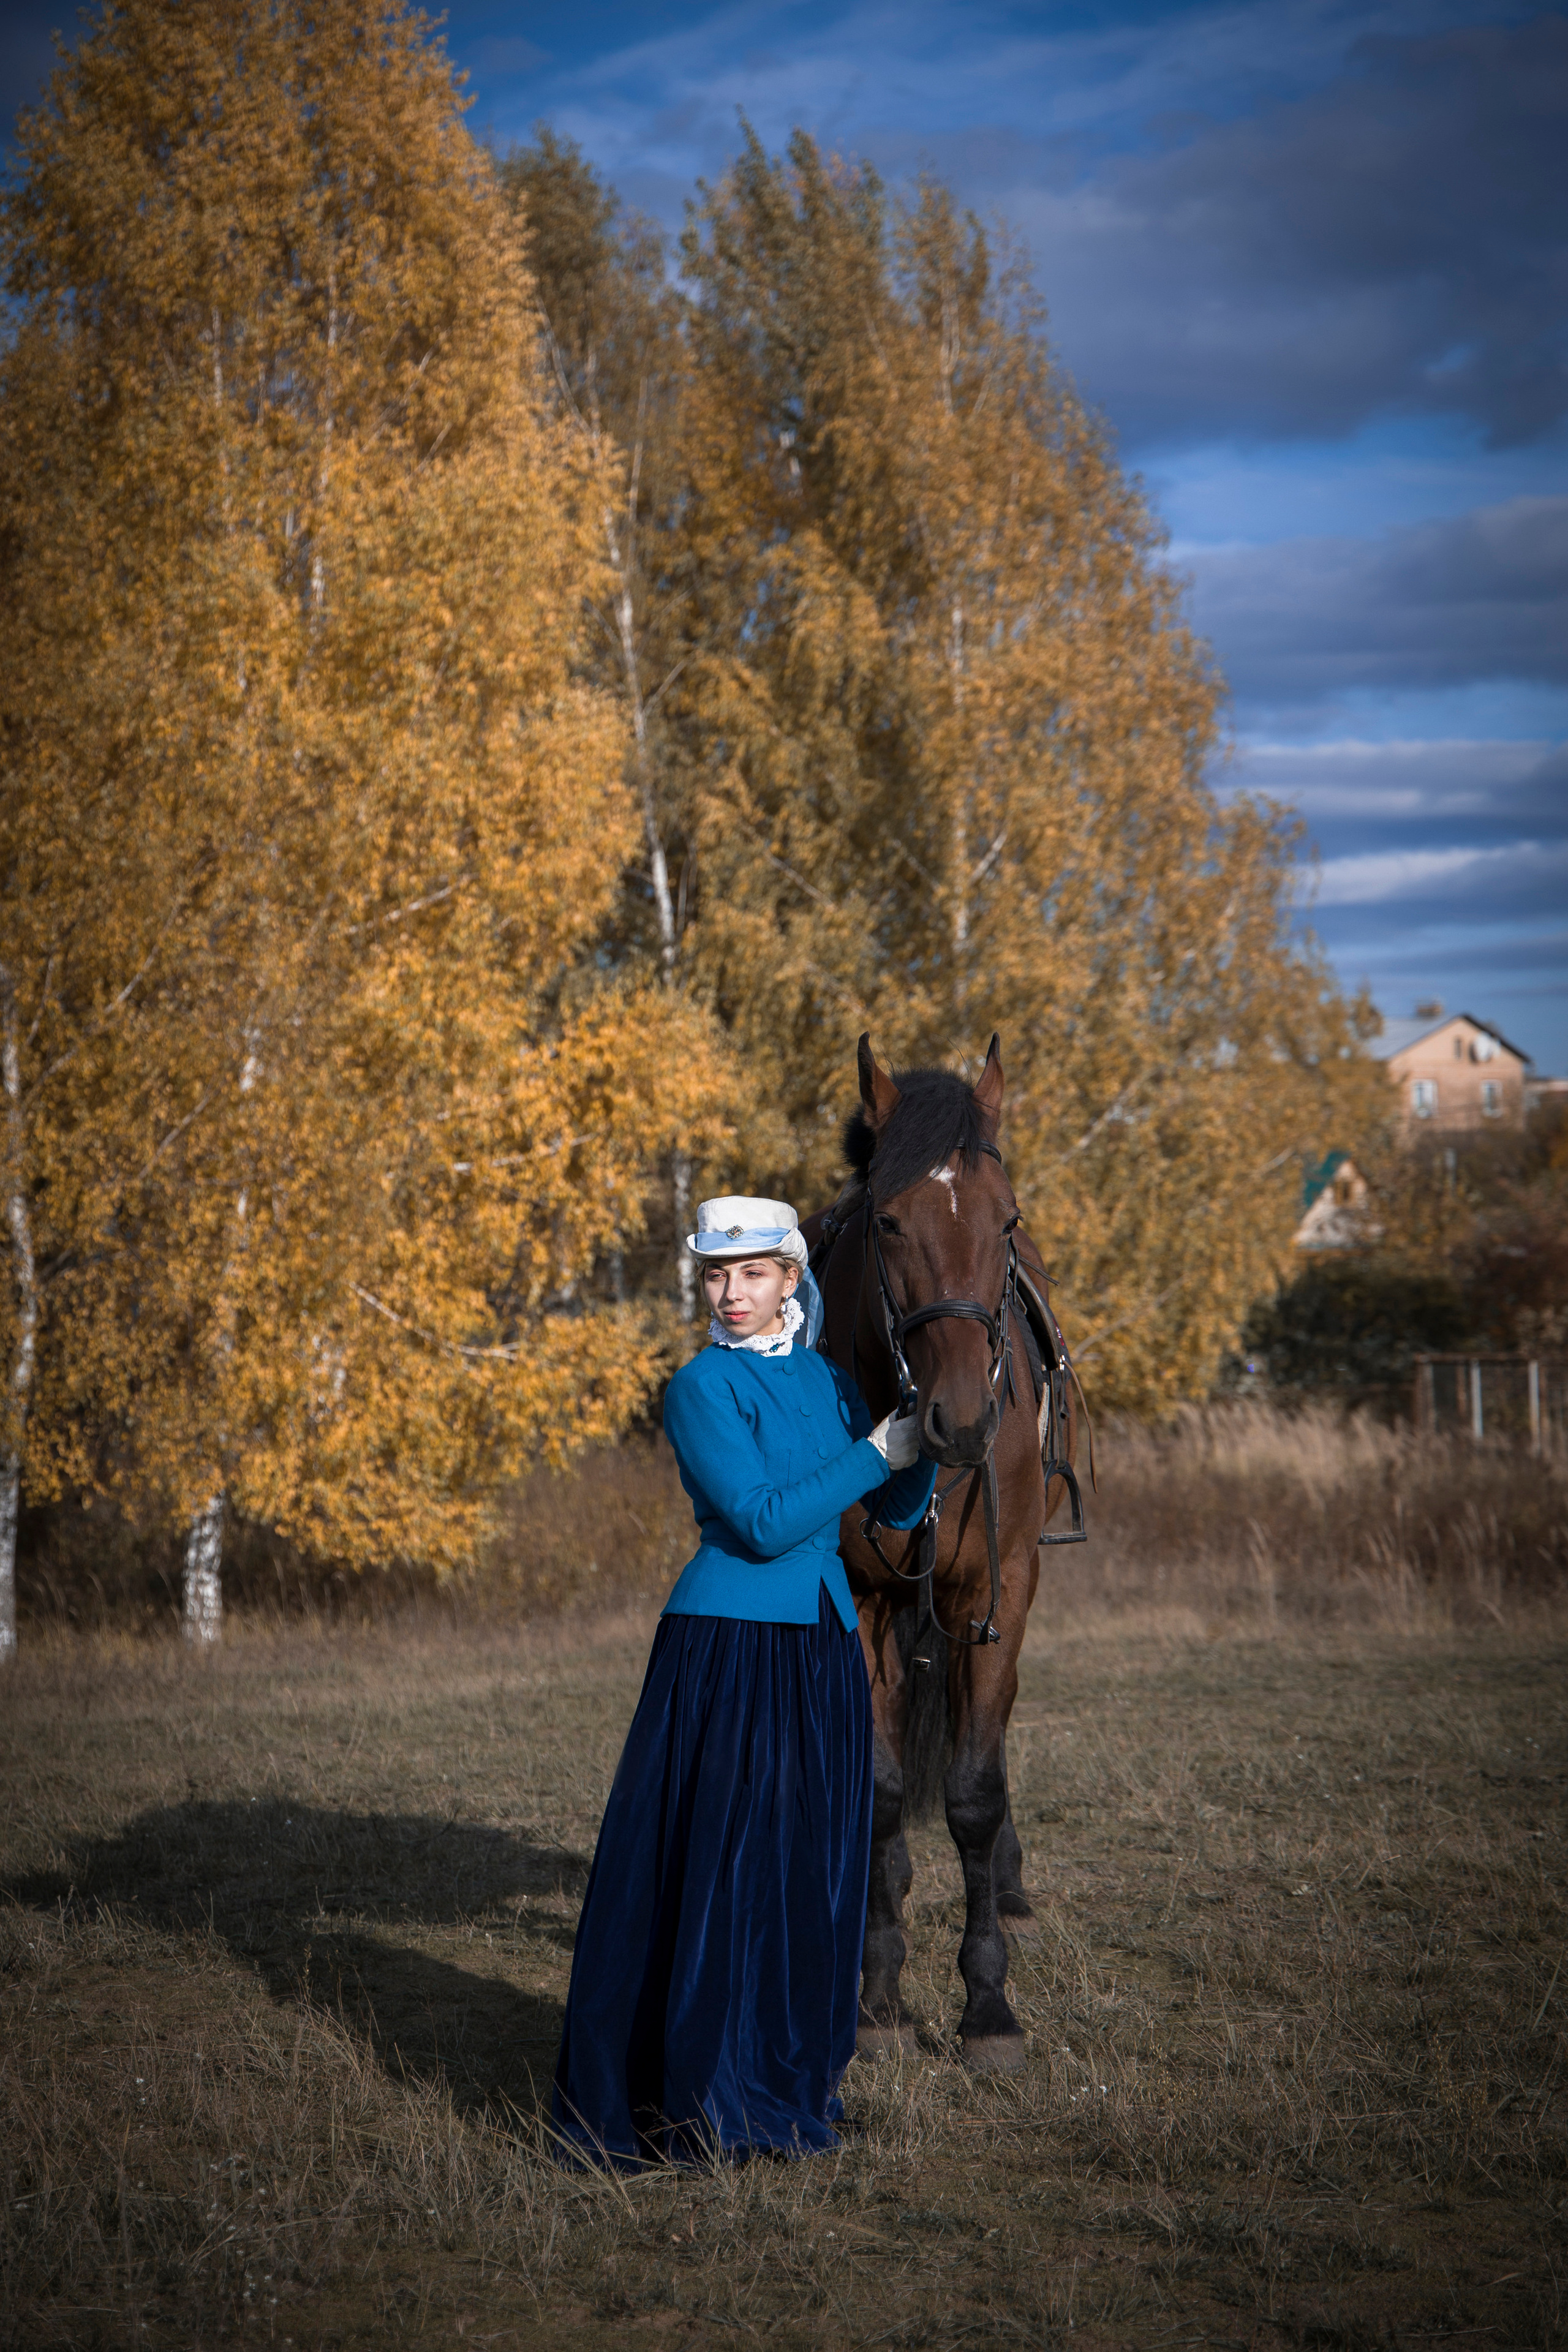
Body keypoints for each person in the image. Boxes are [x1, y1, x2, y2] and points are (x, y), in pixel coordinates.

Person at [552, 1194, 936, 2166]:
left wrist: (927, 1438)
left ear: (789, 1279)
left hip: (822, 1642)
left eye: (753, 1273)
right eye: (718, 1275)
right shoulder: (700, 1388)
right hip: (729, 1645)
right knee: (725, 1871)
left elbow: (892, 1508)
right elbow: (763, 1522)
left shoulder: (828, 1379)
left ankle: (784, 2077)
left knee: (808, 1869)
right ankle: (701, 2094)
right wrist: (875, 1451)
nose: (732, 1293)